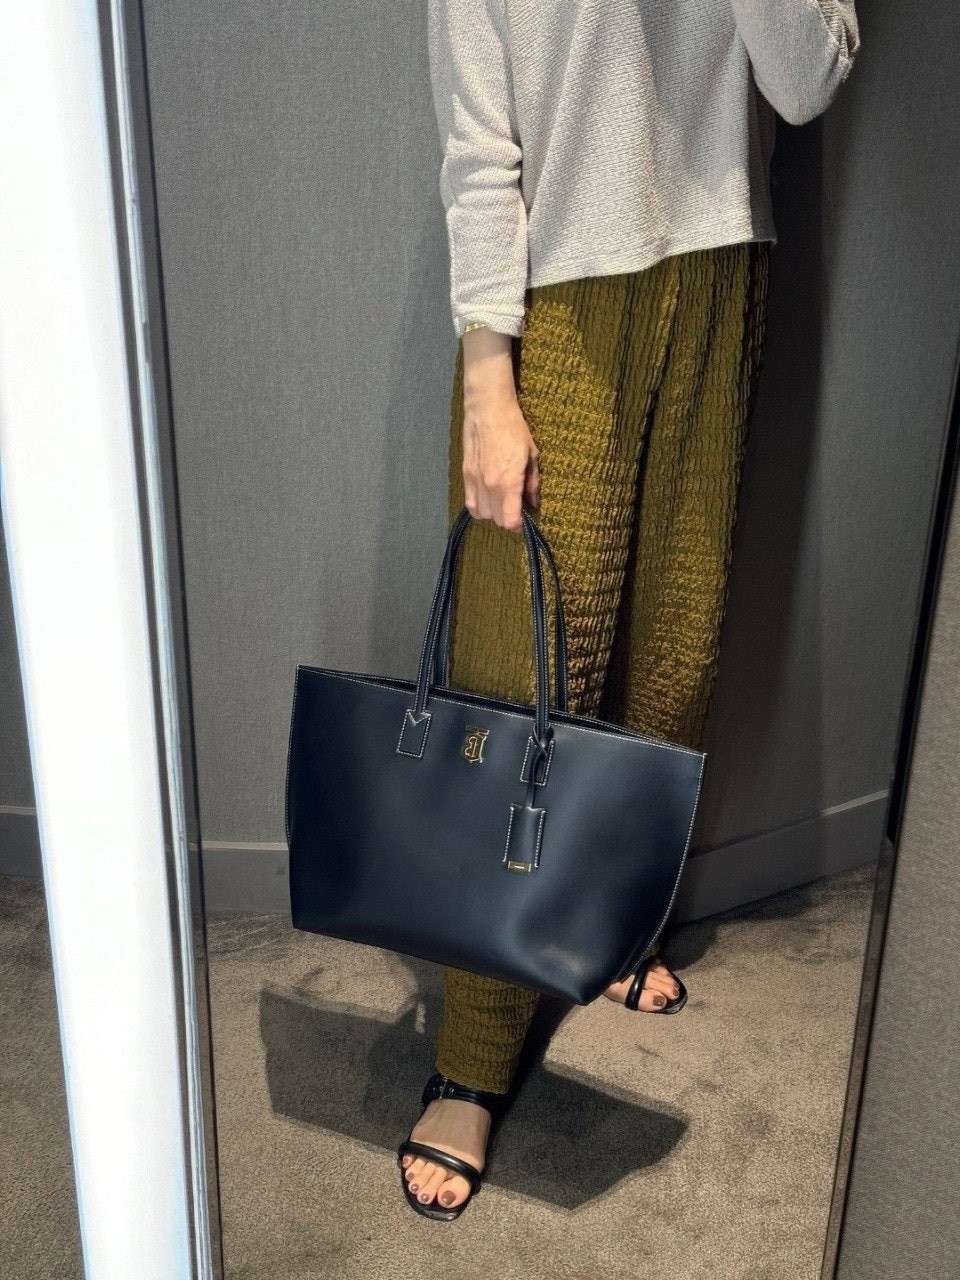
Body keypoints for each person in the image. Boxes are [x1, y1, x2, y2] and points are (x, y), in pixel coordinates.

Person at [398, 0, 861, 1222]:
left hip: (721, 267)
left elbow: (808, 79)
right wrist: (487, 380)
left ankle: (614, 923)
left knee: (678, 648)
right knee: (516, 676)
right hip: (556, 292)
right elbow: (479, 147)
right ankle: (473, 1054)